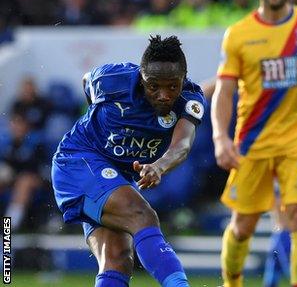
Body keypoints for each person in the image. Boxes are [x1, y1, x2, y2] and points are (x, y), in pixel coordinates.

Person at [51, 35, 206, 287]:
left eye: (172, 86)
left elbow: (183, 144)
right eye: (153, 86)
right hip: (79, 160)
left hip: (118, 176)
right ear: (142, 77)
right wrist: (100, 121)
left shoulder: (190, 99)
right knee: (141, 215)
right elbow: (86, 82)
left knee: (118, 258)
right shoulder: (114, 79)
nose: (164, 95)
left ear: (183, 79)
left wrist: (159, 166)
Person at [211, 0, 297, 287]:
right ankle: (232, 284)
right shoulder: (238, 34)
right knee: (242, 224)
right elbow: (225, 91)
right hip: (252, 139)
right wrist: (220, 137)